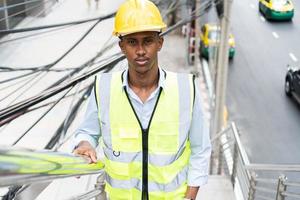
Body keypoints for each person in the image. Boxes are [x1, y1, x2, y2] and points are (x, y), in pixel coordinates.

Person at [73, 0, 211, 199]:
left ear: (159, 43)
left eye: (147, 40)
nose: (140, 50)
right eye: (132, 42)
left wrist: (190, 196)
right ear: (122, 46)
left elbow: (201, 149)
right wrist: (84, 144)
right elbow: (87, 131)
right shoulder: (103, 88)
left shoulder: (186, 89)